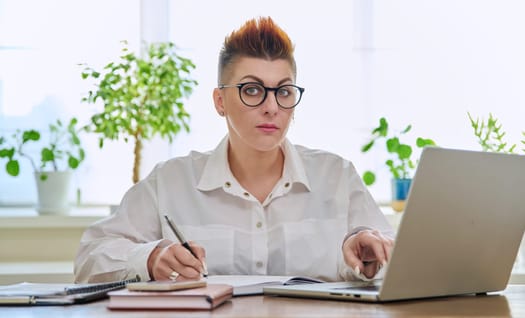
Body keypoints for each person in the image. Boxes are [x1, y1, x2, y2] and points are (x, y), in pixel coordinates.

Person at [74, 17, 395, 284]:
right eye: (252, 89)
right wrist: (148, 258)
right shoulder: (170, 181)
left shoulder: (337, 176)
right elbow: (90, 259)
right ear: (219, 101)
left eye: (283, 91)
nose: (272, 107)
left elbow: (395, 267)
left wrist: (369, 257)